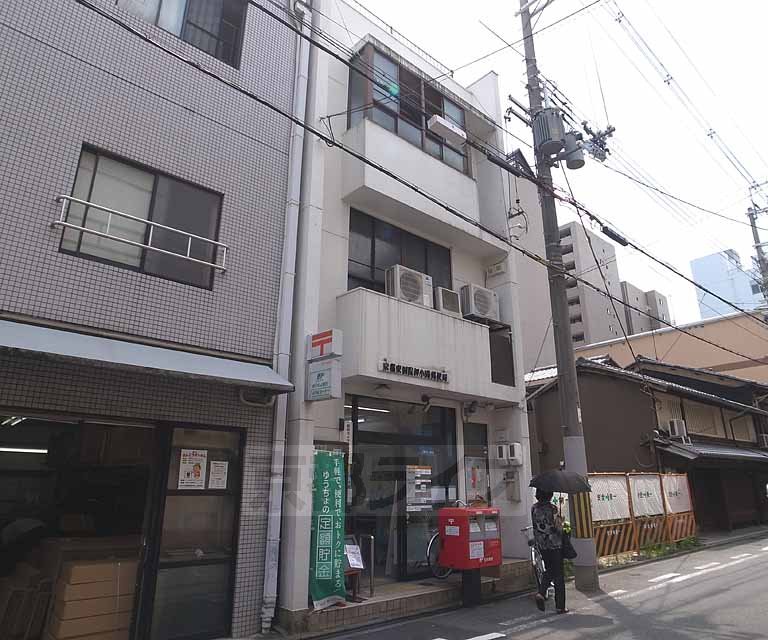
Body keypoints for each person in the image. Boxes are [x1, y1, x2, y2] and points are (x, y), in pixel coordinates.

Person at [531, 489, 567, 614]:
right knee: (558, 575)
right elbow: (558, 529)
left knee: (550, 569)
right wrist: (560, 522)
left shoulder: (534, 508)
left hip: (542, 545)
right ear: (550, 495)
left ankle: (541, 592)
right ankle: (560, 606)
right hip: (555, 544)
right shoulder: (553, 508)